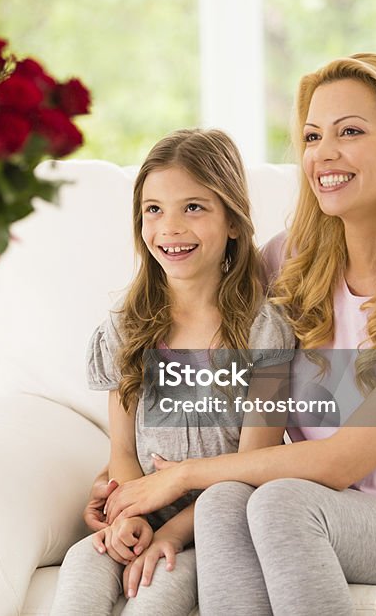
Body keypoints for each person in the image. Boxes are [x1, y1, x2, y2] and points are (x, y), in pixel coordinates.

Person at [96, 54, 376, 615]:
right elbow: (189, 331)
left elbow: (338, 464)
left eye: (350, 131)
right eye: (311, 135)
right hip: (335, 511)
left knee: (281, 505)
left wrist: (179, 479)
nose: (324, 153)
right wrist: (124, 491)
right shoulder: (287, 264)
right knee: (229, 501)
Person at [50, 129, 294, 615]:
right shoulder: (127, 324)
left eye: (194, 207)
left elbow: (253, 469)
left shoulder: (263, 333)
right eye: (154, 209)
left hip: (212, 530)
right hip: (139, 510)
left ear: (231, 221)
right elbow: (121, 451)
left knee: (153, 598)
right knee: (80, 572)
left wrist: (168, 534)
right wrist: (126, 517)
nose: (170, 227)